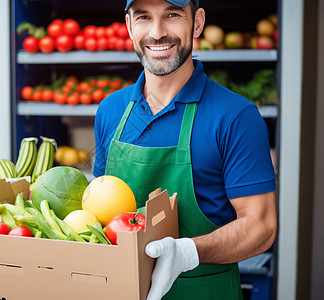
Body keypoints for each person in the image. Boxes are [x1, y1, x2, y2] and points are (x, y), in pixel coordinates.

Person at [93, 0, 278, 299]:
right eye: (143, 17)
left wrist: (188, 252)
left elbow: (261, 226)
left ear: (198, 22)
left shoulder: (235, 117)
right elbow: (98, 210)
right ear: (129, 26)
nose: (157, 32)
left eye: (172, 15)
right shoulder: (110, 111)